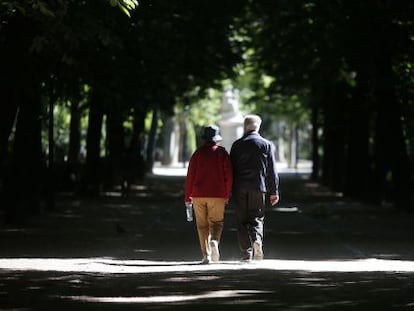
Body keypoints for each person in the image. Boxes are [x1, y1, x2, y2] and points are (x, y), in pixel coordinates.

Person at [230, 114, 280, 261]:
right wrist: (274, 191)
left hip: (239, 187)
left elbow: (230, 168)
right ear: (258, 126)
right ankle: (257, 239)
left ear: (245, 127)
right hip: (259, 187)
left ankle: (246, 252)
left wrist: (228, 189)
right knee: (257, 217)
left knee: (241, 219)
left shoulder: (237, 145)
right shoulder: (266, 145)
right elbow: (272, 169)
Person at [184, 125, 233, 264]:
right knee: (216, 223)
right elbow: (228, 175)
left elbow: (190, 176)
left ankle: (206, 256)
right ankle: (214, 241)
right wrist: (227, 193)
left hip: (198, 194)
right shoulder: (222, 153)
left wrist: (188, 197)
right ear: (217, 139)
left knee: (202, 225)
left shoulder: (197, 154)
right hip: (217, 194)